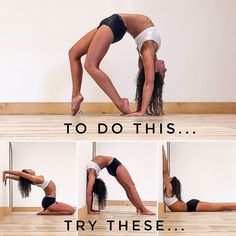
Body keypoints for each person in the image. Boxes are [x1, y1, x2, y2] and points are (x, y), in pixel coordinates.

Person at [69, 13, 167, 116]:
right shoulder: (147, 54)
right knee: (73, 53)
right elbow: (145, 79)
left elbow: (149, 83)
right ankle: (76, 95)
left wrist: (142, 111)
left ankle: (120, 103)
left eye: (162, 74)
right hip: (112, 22)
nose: (165, 70)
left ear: (154, 70)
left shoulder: (148, 50)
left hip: (116, 24)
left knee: (90, 66)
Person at [162, 146, 236, 212]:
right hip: (191, 205)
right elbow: (166, 173)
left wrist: (163, 153)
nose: (168, 177)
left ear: (171, 182)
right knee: (222, 207)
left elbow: (165, 172)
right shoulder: (169, 192)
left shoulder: (169, 190)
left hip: (192, 206)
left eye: (170, 177)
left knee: (222, 206)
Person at [86, 155, 155, 215]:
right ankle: (144, 209)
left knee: (128, 188)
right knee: (131, 186)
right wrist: (90, 210)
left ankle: (139, 208)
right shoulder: (92, 173)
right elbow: (89, 193)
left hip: (111, 165)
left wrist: (90, 210)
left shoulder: (91, 174)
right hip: (114, 164)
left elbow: (89, 192)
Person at [2, 169, 75, 215]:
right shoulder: (35, 178)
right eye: (28, 170)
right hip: (49, 202)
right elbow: (19, 174)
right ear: (28, 174)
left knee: (71, 210)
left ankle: (48, 210)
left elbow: (20, 179)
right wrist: (5, 172)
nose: (30, 169)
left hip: (48, 201)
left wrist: (8, 177)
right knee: (72, 211)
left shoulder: (34, 180)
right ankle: (48, 212)